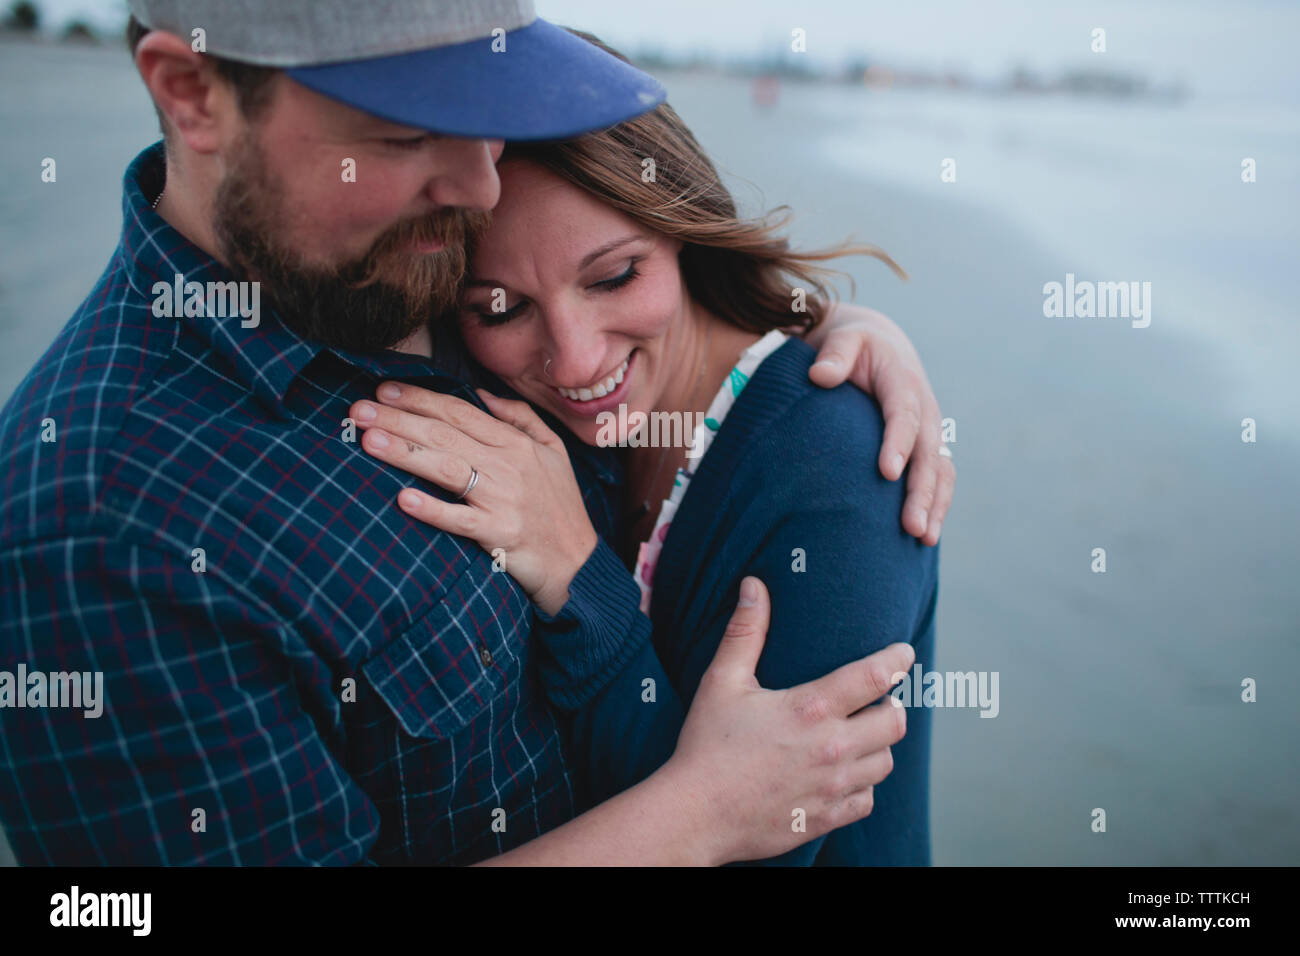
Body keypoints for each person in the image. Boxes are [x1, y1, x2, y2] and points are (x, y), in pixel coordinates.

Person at [0, 0, 950, 865]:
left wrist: (826, 331)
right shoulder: (101, 534)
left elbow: (637, 305)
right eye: (409, 130)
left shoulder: (413, 255)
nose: (480, 181)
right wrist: (695, 815)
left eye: (489, 108)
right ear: (192, 91)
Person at [349, 32, 941, 865]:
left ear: (685, 231)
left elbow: (758, 835)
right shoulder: (552, 419)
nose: (577, 358)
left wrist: (577, 575)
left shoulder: (839, 467)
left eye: (615, 276)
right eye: (500, 309)